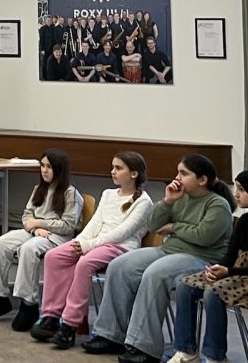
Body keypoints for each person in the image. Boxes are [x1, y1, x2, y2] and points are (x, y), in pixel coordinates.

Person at [82, 154, 235, 363]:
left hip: (201, 258)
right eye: (178, 172)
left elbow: (203, 236)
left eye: (183, 173)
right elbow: (153, 226)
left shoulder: (218, 205)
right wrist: (167, 201)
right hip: (169, 250)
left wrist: (174, 227)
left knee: (156, 273)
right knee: (119, 266)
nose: (177, 178)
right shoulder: (179, 197)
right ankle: (110, 335)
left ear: (202, 180)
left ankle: (144, 347)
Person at [30, 152, 153, 349]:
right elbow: (95, 223)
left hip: (121, 247)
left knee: (85, 263)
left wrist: (89, 246)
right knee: (54, 256)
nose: (113, 171)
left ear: (134, 174)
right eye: (112, 167)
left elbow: (123, 232)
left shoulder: (144, 202)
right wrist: (80, 241)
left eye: (118, 168)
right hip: (96, 242)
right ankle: (51, 316)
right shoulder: (108, 194)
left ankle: (69, 325)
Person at [0, 149, 82, 331]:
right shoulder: (39, 189)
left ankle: (29, 305)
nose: (44, 170)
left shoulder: (71, 193)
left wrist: (40, 223)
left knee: (28, 249)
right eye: (42, 165)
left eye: (49, 167)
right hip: (35, 231)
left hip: (57, 237)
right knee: (0, 244)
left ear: (60, 169)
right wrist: (34, 228)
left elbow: (68, 225)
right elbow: (27, 215)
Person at [168, 169, 248, 363]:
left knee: (213, 293)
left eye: (242, 190)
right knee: (185, 285)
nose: (235, 194)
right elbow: (230, 256)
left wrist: (229, 271)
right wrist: (216, 269)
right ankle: (186, 352)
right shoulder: (244, 220)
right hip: (236, 275)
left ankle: (215, 357)